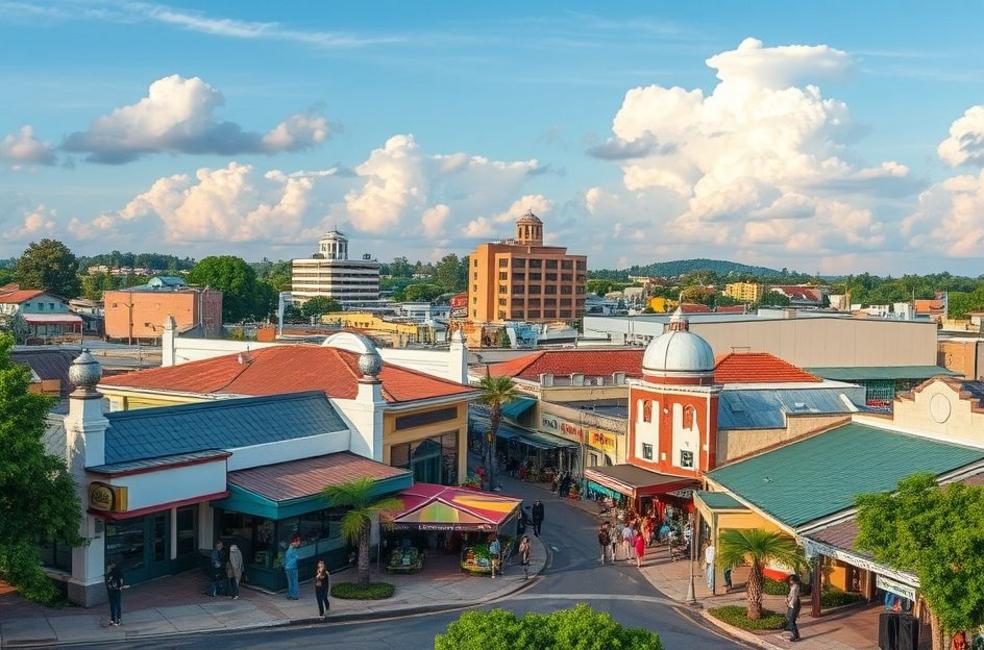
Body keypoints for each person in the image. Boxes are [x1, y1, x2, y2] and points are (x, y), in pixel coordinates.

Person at [786, 574, 802, 642]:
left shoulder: (795, 587)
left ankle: (796, 636)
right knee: (789, 617)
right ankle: (791, 629)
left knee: (791, 620)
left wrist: (791, 604)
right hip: (793, 604)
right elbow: (791, 595)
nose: (790, 581)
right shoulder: (794, 586)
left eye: (791, 579)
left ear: (793, 580)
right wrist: (788, 599)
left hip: (794, 604)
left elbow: (794, 597)